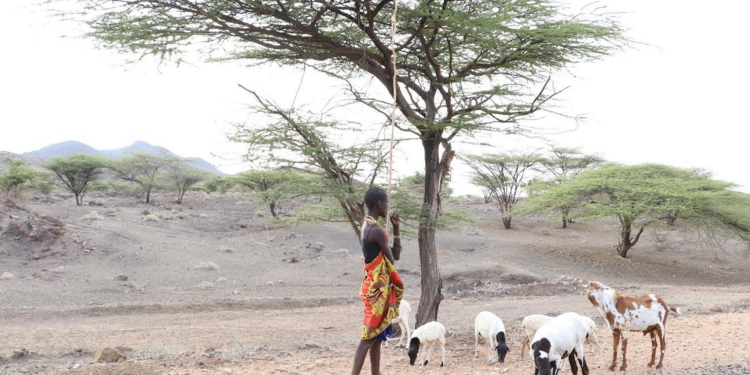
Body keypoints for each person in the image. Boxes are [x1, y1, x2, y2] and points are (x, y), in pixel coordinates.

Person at [350, 187, 403, 375]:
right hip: (377, 292)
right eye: (386, 203)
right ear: (379, 204)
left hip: (372, 286)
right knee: (367, 338)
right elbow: (394, 258)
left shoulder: (366, 226)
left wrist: (395, 227)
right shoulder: (376, 230)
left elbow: (391, 256)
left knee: (377, 337)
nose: (387, 206)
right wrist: (395, 230)